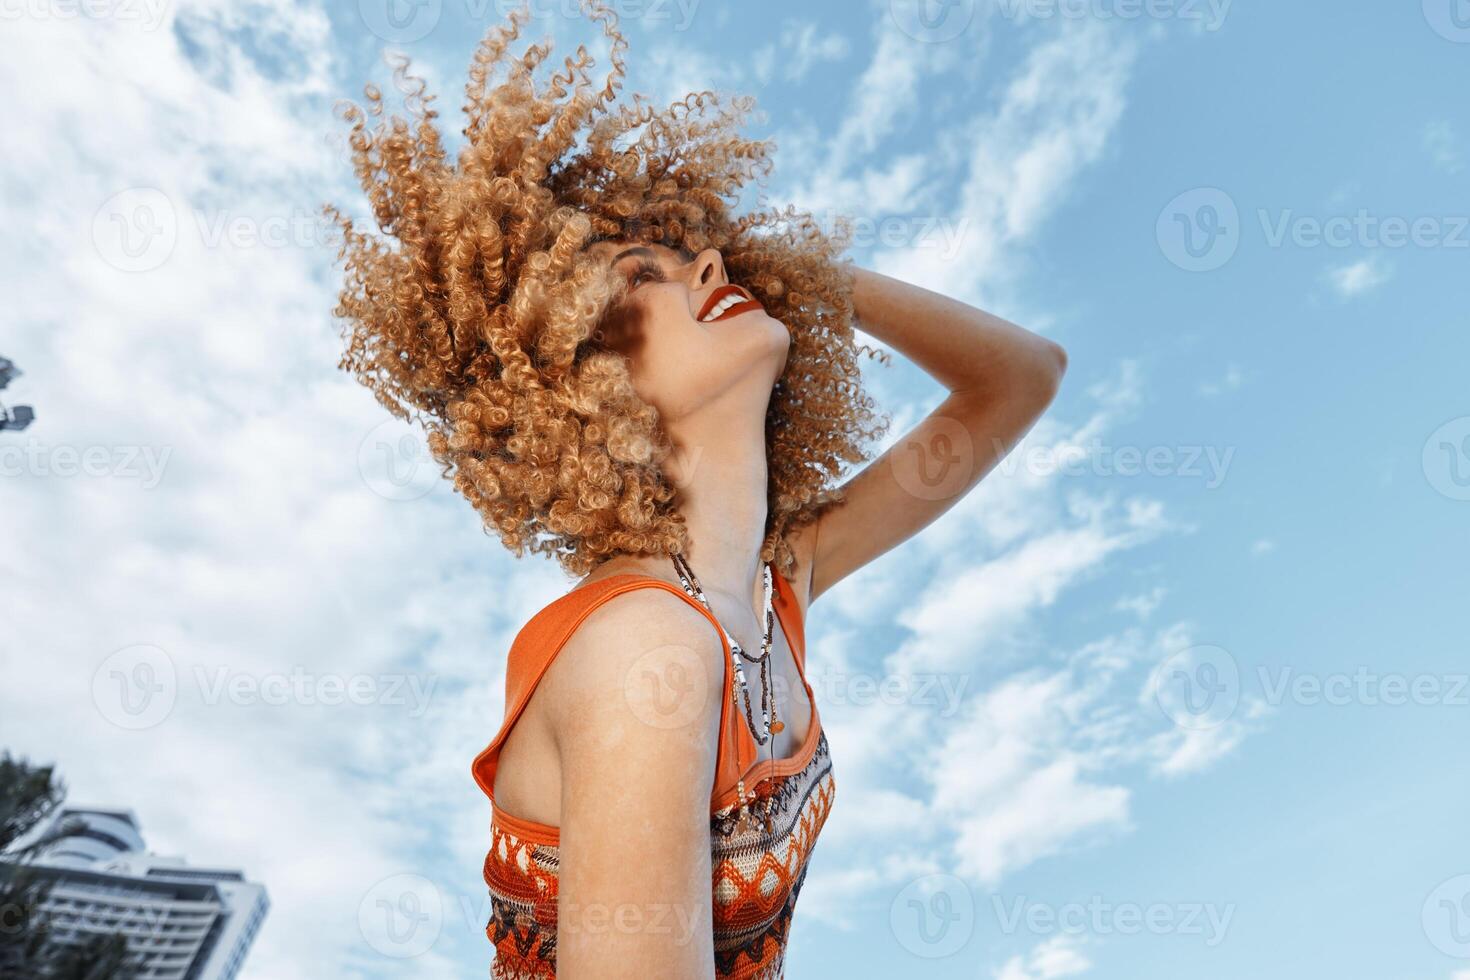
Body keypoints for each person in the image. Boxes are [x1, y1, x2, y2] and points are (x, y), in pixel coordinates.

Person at [328, 4, 1066, 977]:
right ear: (572, 375)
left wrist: (807, 273)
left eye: (699, 255)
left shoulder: (773, 588)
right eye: (645, 273)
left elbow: (1022, 377)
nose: (708, 266)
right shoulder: (647, 642)